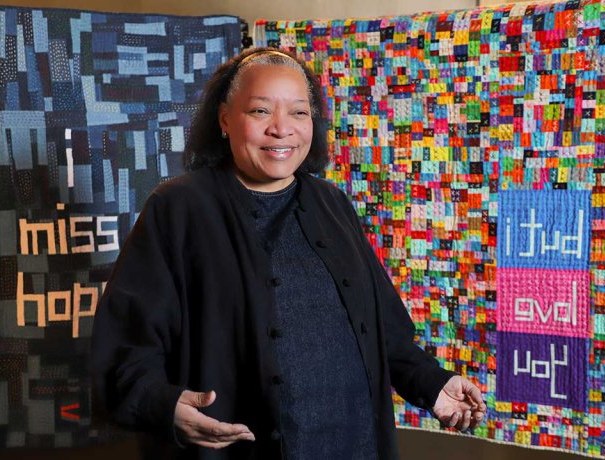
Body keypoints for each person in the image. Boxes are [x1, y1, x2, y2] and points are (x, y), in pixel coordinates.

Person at [91, 47, 486, 460]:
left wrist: (433, 384)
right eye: (261, 111)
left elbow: (382, 329)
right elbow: (126, 344)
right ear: (225, 120)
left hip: (353, 444)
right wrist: (165, 406)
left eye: (298, 113)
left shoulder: (331, 203)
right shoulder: (178, 209)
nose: (282, 129)